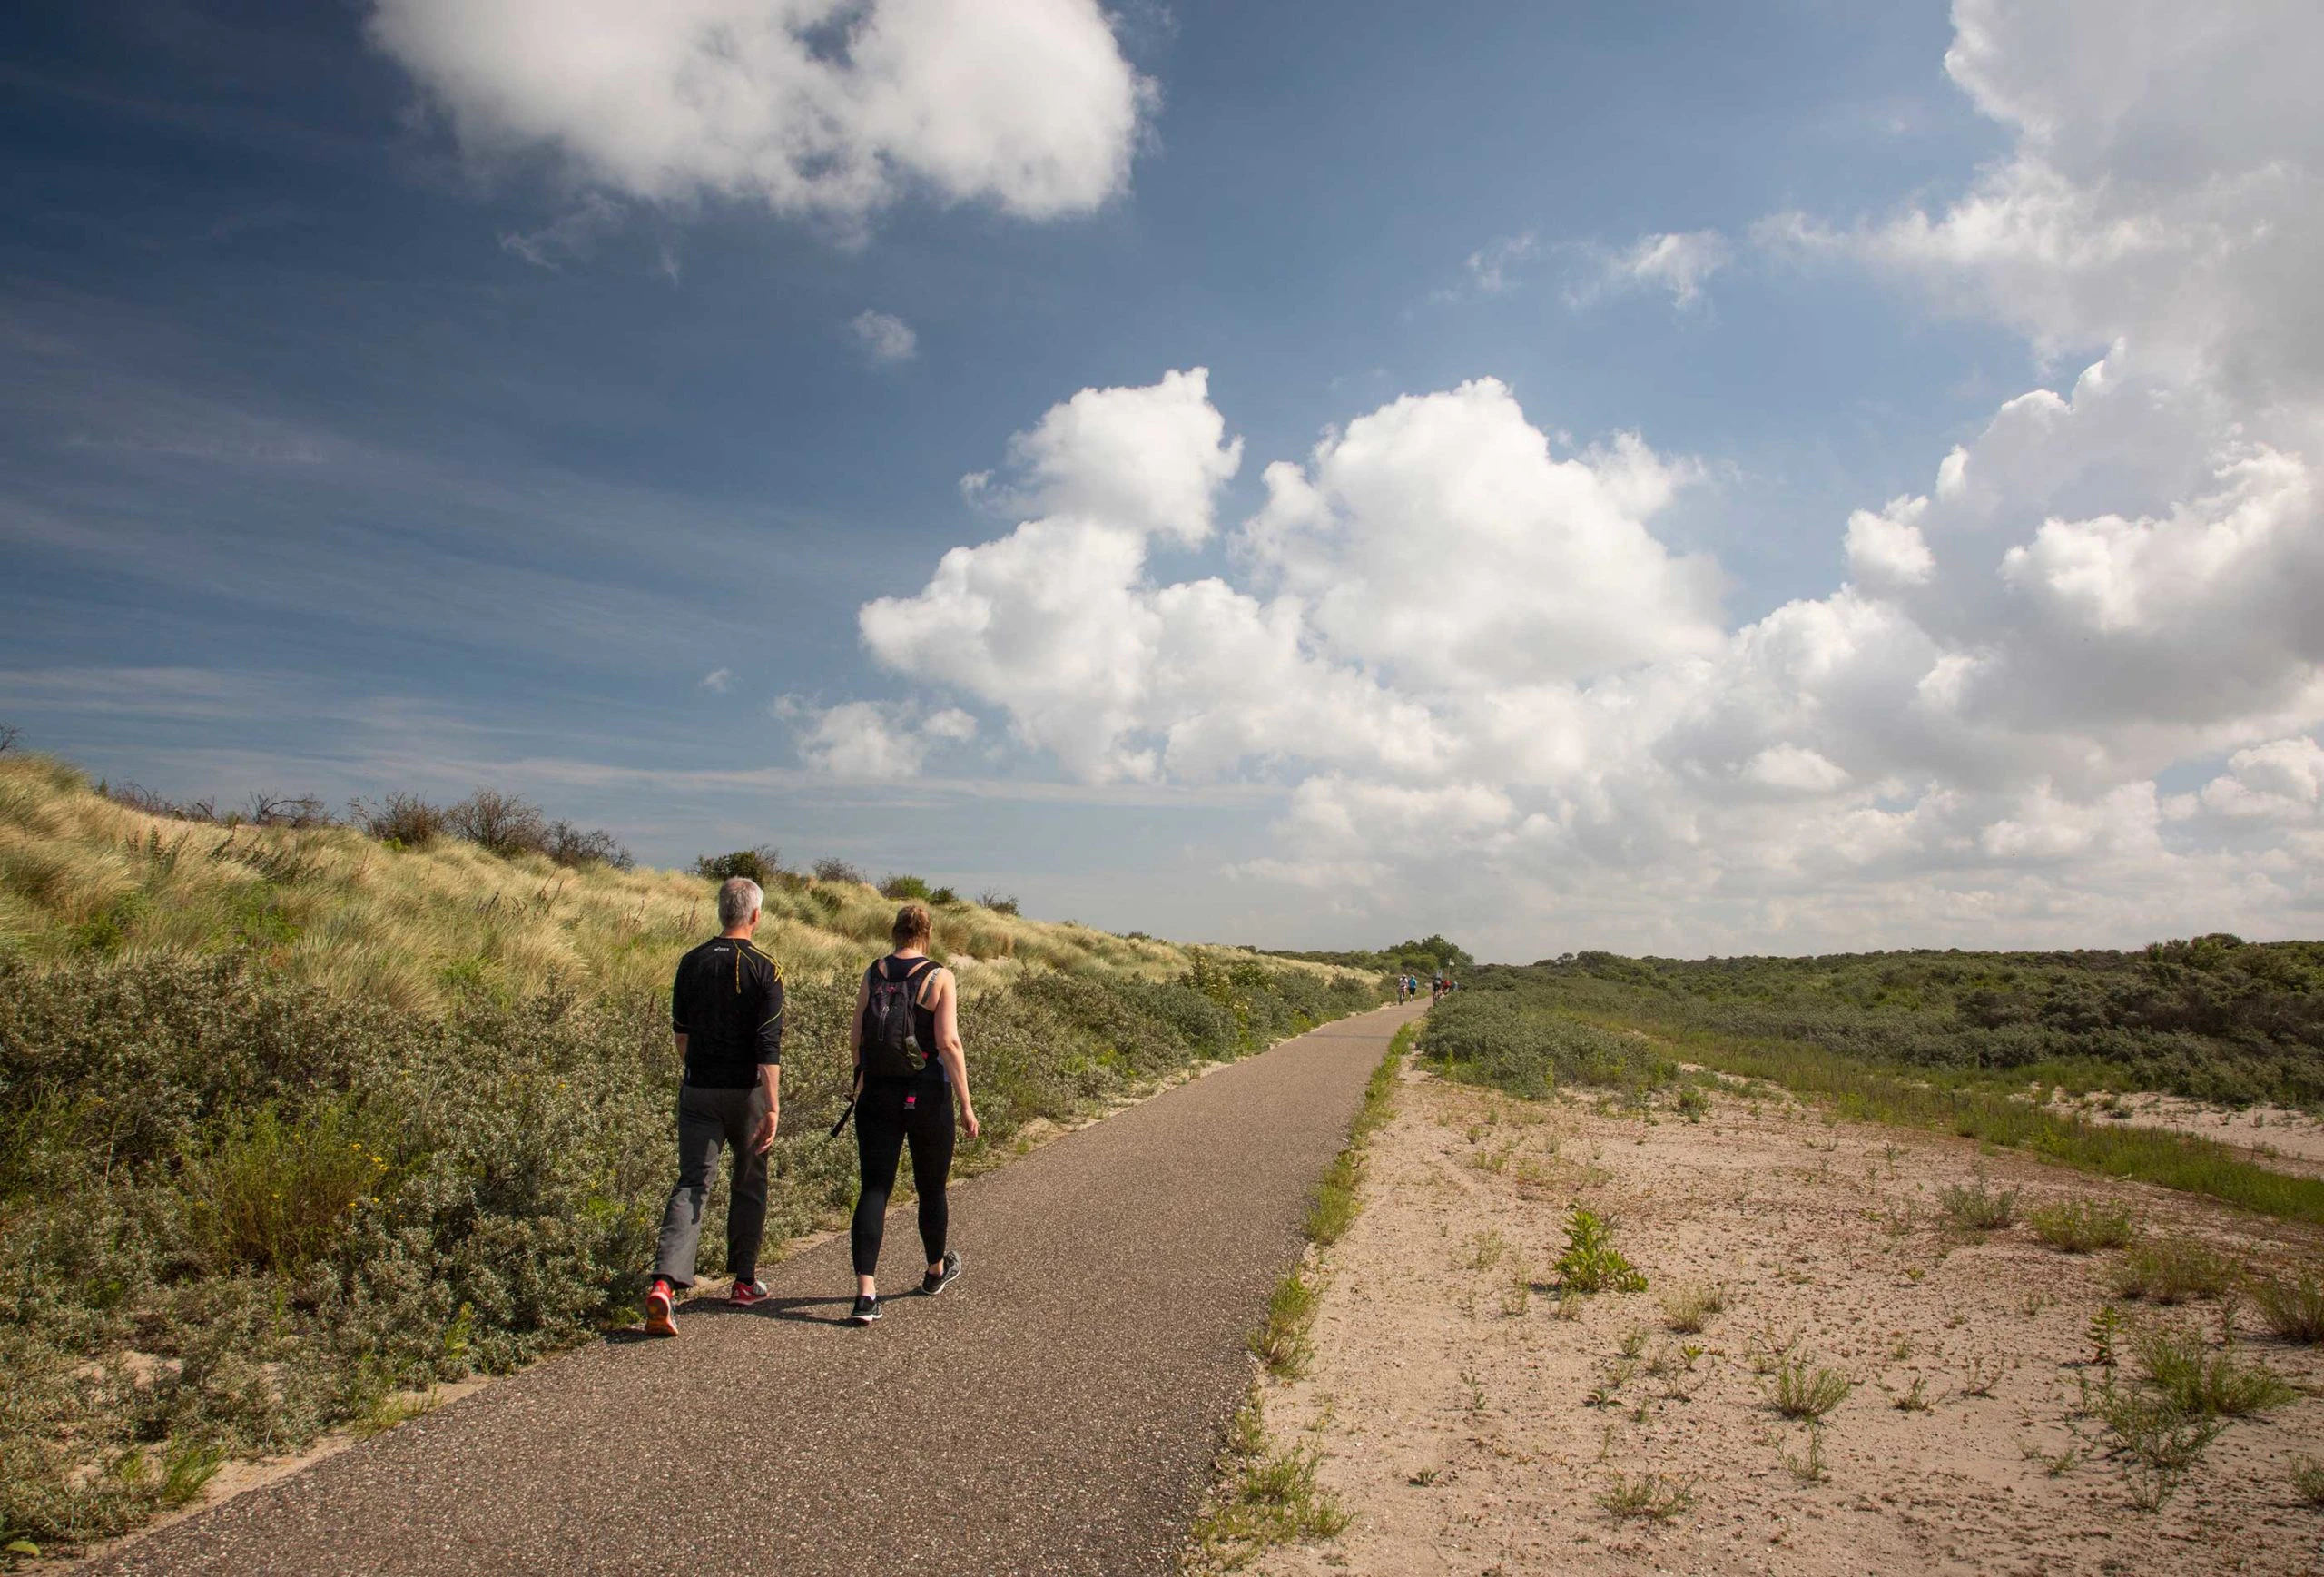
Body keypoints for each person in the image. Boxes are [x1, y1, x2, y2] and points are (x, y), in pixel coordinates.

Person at [643, 877, 784, 1337]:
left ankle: (665, 1282)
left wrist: (700, 1069)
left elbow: (681, 1035)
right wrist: (773, 1106)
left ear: (722, 911)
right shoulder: (766, 969)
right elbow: (768, 1048)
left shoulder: (691, 962)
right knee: (749, 1183)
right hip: (746, 1092)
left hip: (699, 1089)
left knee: (692, 1184)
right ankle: (744, 1281)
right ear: (755, 915)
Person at [845, 902, 980, 1326]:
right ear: (928, 933)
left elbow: (857, 1036)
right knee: (931, 1187)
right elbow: (948, 1043)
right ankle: (934, 1271)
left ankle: (866, 1293)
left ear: (894, 932)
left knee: (874, 1188)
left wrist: (859, 1080)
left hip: (878, 1093)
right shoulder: (940, 976)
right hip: (926, 1094)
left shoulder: (874, 972)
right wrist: (966, 1103)